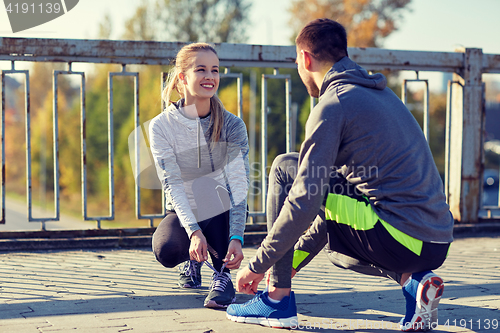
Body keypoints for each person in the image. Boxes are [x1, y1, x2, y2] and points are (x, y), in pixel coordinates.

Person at [226, 19, 453, 331]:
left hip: (398, 236)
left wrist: (258, 265)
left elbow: (305, 200)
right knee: (336, 224)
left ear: (305, 58)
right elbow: (332, 207)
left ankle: (277, 300)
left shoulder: (334, 104)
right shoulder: (381, 96)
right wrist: (290, 262)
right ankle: (416, 284)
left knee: (283, 168)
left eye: (297, 62)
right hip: (433, 242)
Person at [149, 42, 250, 309]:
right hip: (184, 210)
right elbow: (172, 185)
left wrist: (237, 238)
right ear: (182, 77)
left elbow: (239, 186)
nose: (210, 77)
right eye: (201, 69)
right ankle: (194, 260)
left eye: (215, 70)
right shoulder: (162, 126)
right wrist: (193, 231)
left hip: (220, 207)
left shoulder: (232, 125)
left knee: (207, 185)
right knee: (166, 249)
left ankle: (222, 275)